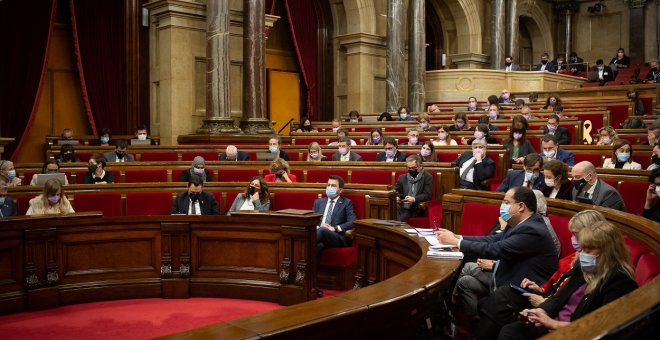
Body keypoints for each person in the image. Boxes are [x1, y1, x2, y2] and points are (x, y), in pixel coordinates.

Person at [473, 210, 605, 339]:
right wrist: (540, 289)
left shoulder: (591, 265)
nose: (574, 240)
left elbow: (569, 301)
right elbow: (555, 286)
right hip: (545, 301)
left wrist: (544, 302)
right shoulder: (575, 259)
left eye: (576, 235)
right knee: (499, 299)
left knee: (499, 305)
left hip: (554, 314)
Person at [497, 220, 637, 339]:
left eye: (588, 250)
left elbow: (600, 327)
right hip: (554, 324)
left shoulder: (619, 281)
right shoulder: (585, 269)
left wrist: (551, 323)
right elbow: (558, 297)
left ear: (608, 251)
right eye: (582, 249)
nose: (581, 255)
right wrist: (541, 312)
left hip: (572, 334)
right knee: (509, 327)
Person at [438, 186, 558, 303]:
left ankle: (450, 308)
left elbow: (496, 249)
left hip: (521, 287)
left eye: (506, 202)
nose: (502, 206)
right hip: (506, 274)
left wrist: (457, 243)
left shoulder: (532, 229)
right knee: (465, 280)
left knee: (467, 267)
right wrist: (458, 237)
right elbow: (492, 240)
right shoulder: (518, 223)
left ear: (521, 206)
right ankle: (461, 314)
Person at [313, 175, 356, 265]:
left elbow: (353, 221)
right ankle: (311, 276)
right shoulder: (318, 202)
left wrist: (335, 228)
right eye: (328, 185)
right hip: (320, 235)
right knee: (318, 246)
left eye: (333, 186)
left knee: (323, 230)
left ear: (340, 190)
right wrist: (319, 226)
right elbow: (312, 220)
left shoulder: (346, 203)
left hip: (337, 236)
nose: (329, 188)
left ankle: (302, 244)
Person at [394, 155, 433, 221]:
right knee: (391, 210)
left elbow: (427, 195)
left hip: (416, 207)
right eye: (408, 168)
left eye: (413, 168)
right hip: (402, 204)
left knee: (401, 217)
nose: (410, 170)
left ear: (420, 166)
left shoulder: (427, 177)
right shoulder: (402, 177)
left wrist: (414, 199)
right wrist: (396, 197)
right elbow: (395, 191)